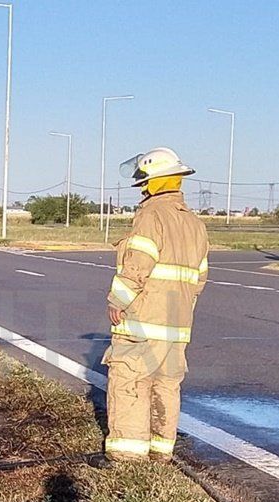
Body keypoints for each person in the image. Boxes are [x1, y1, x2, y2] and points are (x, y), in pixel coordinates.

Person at [103, 147, 208, 463]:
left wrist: (118, 299)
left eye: (145, 182)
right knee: (166, 386)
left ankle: (126, 456)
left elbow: (138, 262)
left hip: (143, 321)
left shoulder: (150, 215)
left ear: (153, 182)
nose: (143, 189)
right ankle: (161, 452)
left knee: (130, 380)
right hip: (177, 325)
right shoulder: (195, 224)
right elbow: (200, 278)